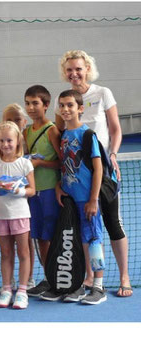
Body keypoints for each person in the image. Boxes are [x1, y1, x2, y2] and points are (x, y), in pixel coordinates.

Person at [54, 50, 132, 297]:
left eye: (78, 68)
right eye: (69, 70)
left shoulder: (103, 93)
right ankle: (90, 277)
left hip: (104, 173)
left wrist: (113, 155)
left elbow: (115, 129)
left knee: (112, 224)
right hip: (78, 179)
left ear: (87, 68)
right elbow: (60, 137)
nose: (74, 73)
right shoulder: (64, 98)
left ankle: (123, 277)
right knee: (86, 228)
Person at [43, 89, 107, 305]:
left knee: (94, 238)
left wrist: (93, 199)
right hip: (69, 200)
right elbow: (65, 165)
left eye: (70, 105)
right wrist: (59, 185)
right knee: (77, 241)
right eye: (62, 105)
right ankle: (80, 283)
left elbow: (97, 169)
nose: (65, 109)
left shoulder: (87, 135)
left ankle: (98, 286)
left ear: (80, 108)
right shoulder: (64, 136)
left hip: (87, 199)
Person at [0, 121, 35, 309]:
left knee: (23, 253)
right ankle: (7, 289)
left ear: (17, 141)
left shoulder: (25, 164)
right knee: (5, 254)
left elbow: (32, 189)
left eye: (9, 140)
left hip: (21, 215)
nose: (5, 144)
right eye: (1, 141)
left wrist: (20, 191)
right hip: (0, 216)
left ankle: (22, 291)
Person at [22, 86, 62, 298]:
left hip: (49, 191)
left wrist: (40, 163)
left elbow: (62, 162)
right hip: (32, 193)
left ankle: (59, 278)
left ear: (46, 105)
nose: (31, 107)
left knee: (53, 236)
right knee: (39, 238)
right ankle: (48, 278)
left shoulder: (52, 130)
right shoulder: (26, 132)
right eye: (28, 103)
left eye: (35, 103)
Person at [1, 103, 35, 292]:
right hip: (6, 204)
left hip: (28, 197)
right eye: (8, 119)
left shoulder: (29, 141)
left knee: (27, 239)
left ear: (24, 122)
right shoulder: (2, 144)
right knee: (6, 246)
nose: (13, 123)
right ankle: (9, 282)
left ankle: (28, 278)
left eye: (16, 119)